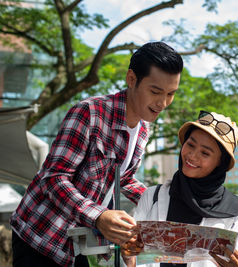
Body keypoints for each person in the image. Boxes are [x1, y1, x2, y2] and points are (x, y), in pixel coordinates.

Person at [10, 41, 183, 267]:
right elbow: (53, 179)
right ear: (131, 79)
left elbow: (122, 179)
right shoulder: (89, 112)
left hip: (76, 242)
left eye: (171, 94)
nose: (163, 103)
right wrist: (99, 216)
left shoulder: (143, 129)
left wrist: (158, 201)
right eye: (155, 91)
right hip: (40, 236)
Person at [122, 111, 238, 267]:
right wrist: (128, 254)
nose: (192, 156)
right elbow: (133, 260)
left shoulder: (235, 213)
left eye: (205, 153)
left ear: (220, 163)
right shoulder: (151, 196)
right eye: (190, 144)